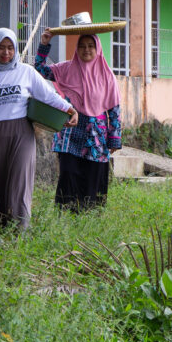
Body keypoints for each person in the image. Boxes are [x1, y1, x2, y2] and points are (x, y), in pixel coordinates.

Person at [0, 28, 77, 229]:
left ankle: (20, 228)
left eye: (10, 48)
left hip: (21, 133)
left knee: (20, 181)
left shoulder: (25, 72)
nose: (6, 53)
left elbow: (47, 95)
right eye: (1, 48)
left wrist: (69, 108)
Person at [35, 29, 122, 212]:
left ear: (98, 49)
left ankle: (90, 216)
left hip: (96, 134)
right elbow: (40, 69)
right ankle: (66, 215)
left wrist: (114, 138)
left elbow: (113, 110)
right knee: (68, 172)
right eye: (82, 46)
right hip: (70, 129)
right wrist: (44, 44)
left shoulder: (108, 76)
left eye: (91, 46)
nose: (86, 50)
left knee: (94, 174)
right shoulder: (66, 69)